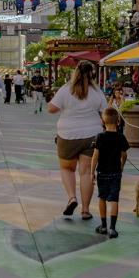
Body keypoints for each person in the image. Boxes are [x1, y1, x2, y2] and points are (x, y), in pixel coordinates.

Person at [48, 61, 106, 220]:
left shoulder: (66, 89)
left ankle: (72, 198)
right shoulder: (97, 92)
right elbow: (106, 113)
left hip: (67, 135)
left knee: (67, 169)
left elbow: (51, 109)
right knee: (87, 172)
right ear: (92, 74)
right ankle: (86, 210)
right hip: (92, 135)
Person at [91, 108, 129, 239]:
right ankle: (112, 228)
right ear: (118, 121)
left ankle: (103, 226)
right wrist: (122, 165)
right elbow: (124, 155)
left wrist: (91, 172)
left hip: (102, 172)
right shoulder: (121, 137)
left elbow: (95, 156)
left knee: (102, 198)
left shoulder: (100, 137)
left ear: (103, 121)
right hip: (115, 173)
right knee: (114, 199)